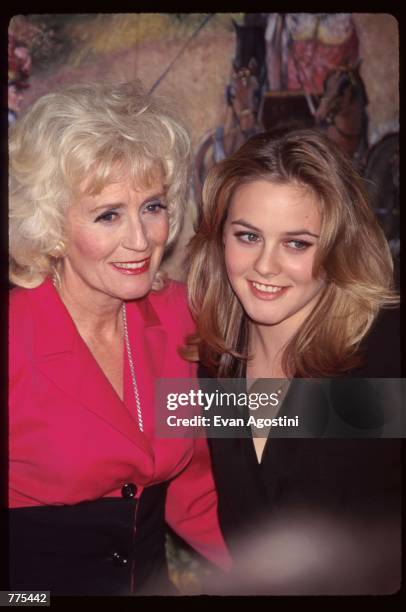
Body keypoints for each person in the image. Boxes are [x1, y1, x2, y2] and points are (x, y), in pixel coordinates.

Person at [8, 81, 230, 596]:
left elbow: (197, 484)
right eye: (108, 214)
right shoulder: (16, 341)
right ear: (51, 225)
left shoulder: (178, 316)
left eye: (152, 206)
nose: (140, 239)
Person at [185, 128, 401, 594]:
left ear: (339, 246)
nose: (265, 266)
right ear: (220, 238)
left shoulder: (383, 354)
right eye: (248, 236)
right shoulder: (214, 366)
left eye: (297, 243)